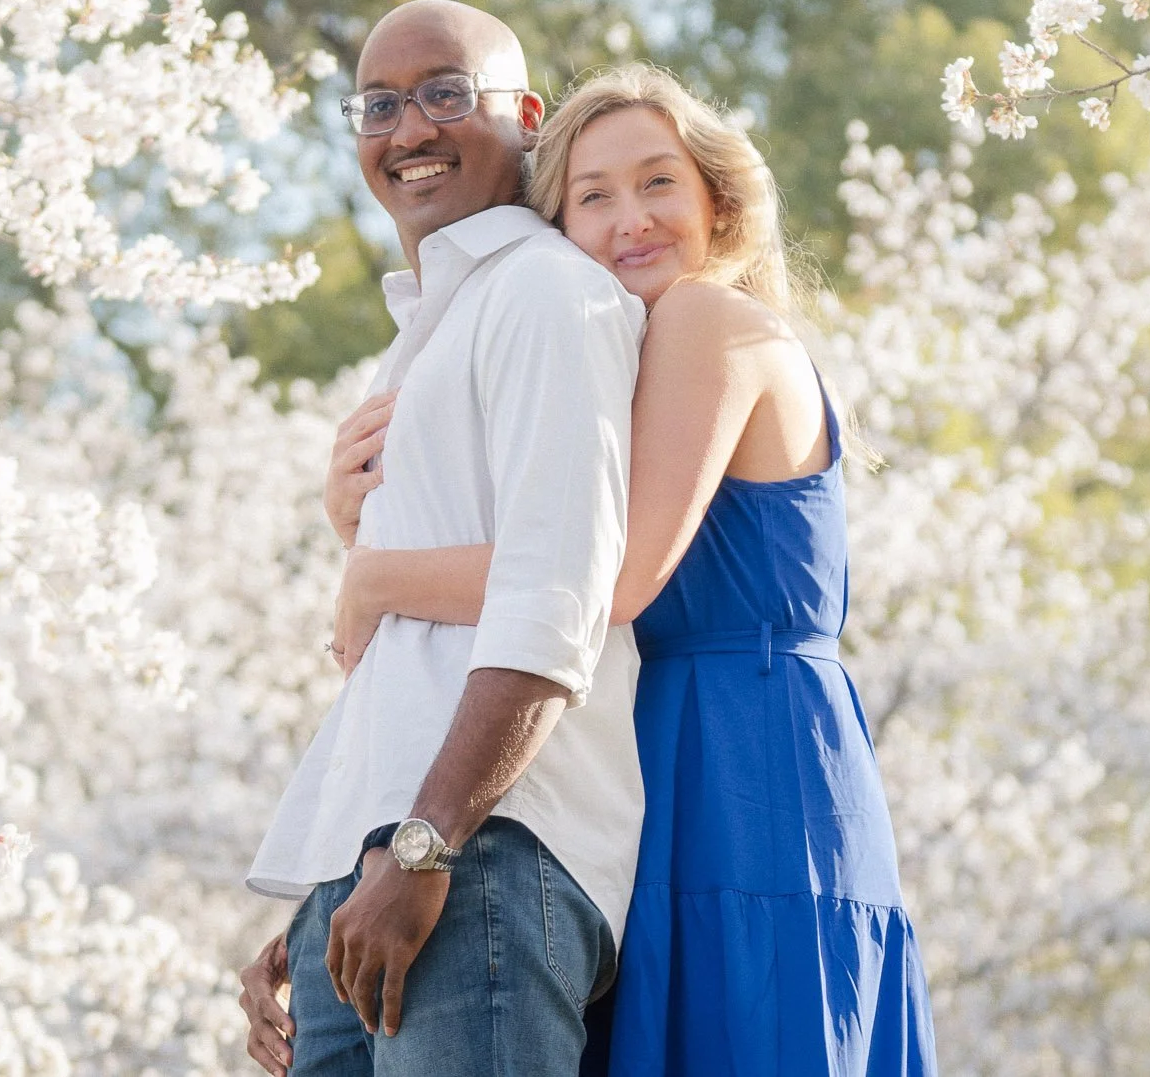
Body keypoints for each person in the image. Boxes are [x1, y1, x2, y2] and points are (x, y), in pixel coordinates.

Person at [322, 65, 938, 1074]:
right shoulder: (618, 360)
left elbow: (608, 583)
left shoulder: (706, 322)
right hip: (651, 750)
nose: (629, 220)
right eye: (591, 197)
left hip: (743, 754)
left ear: (718, 203)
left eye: (658, 184)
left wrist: (377, 578)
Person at [237, 1, 648, 1077]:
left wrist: (424, 844)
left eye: (443, 94)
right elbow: (404, 659)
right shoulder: (423, 334)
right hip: (380, 864)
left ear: (525, 118)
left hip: (482, 855)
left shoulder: (549, 295)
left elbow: (554, 591)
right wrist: (322, 880)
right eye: (378, 104)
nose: (408, 127)